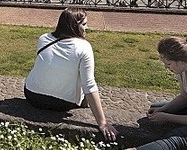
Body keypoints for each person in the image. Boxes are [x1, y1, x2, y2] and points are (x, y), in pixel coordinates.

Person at [24, 7, 118, 142]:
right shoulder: (84, 47)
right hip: (62, 103)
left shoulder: (44, 38)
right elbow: (89, 85)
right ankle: (84, 103)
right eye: (84, 24)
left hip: (32, 95)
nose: (87, 28)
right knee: (83, 77)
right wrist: (102, 123)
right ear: (74, 26)